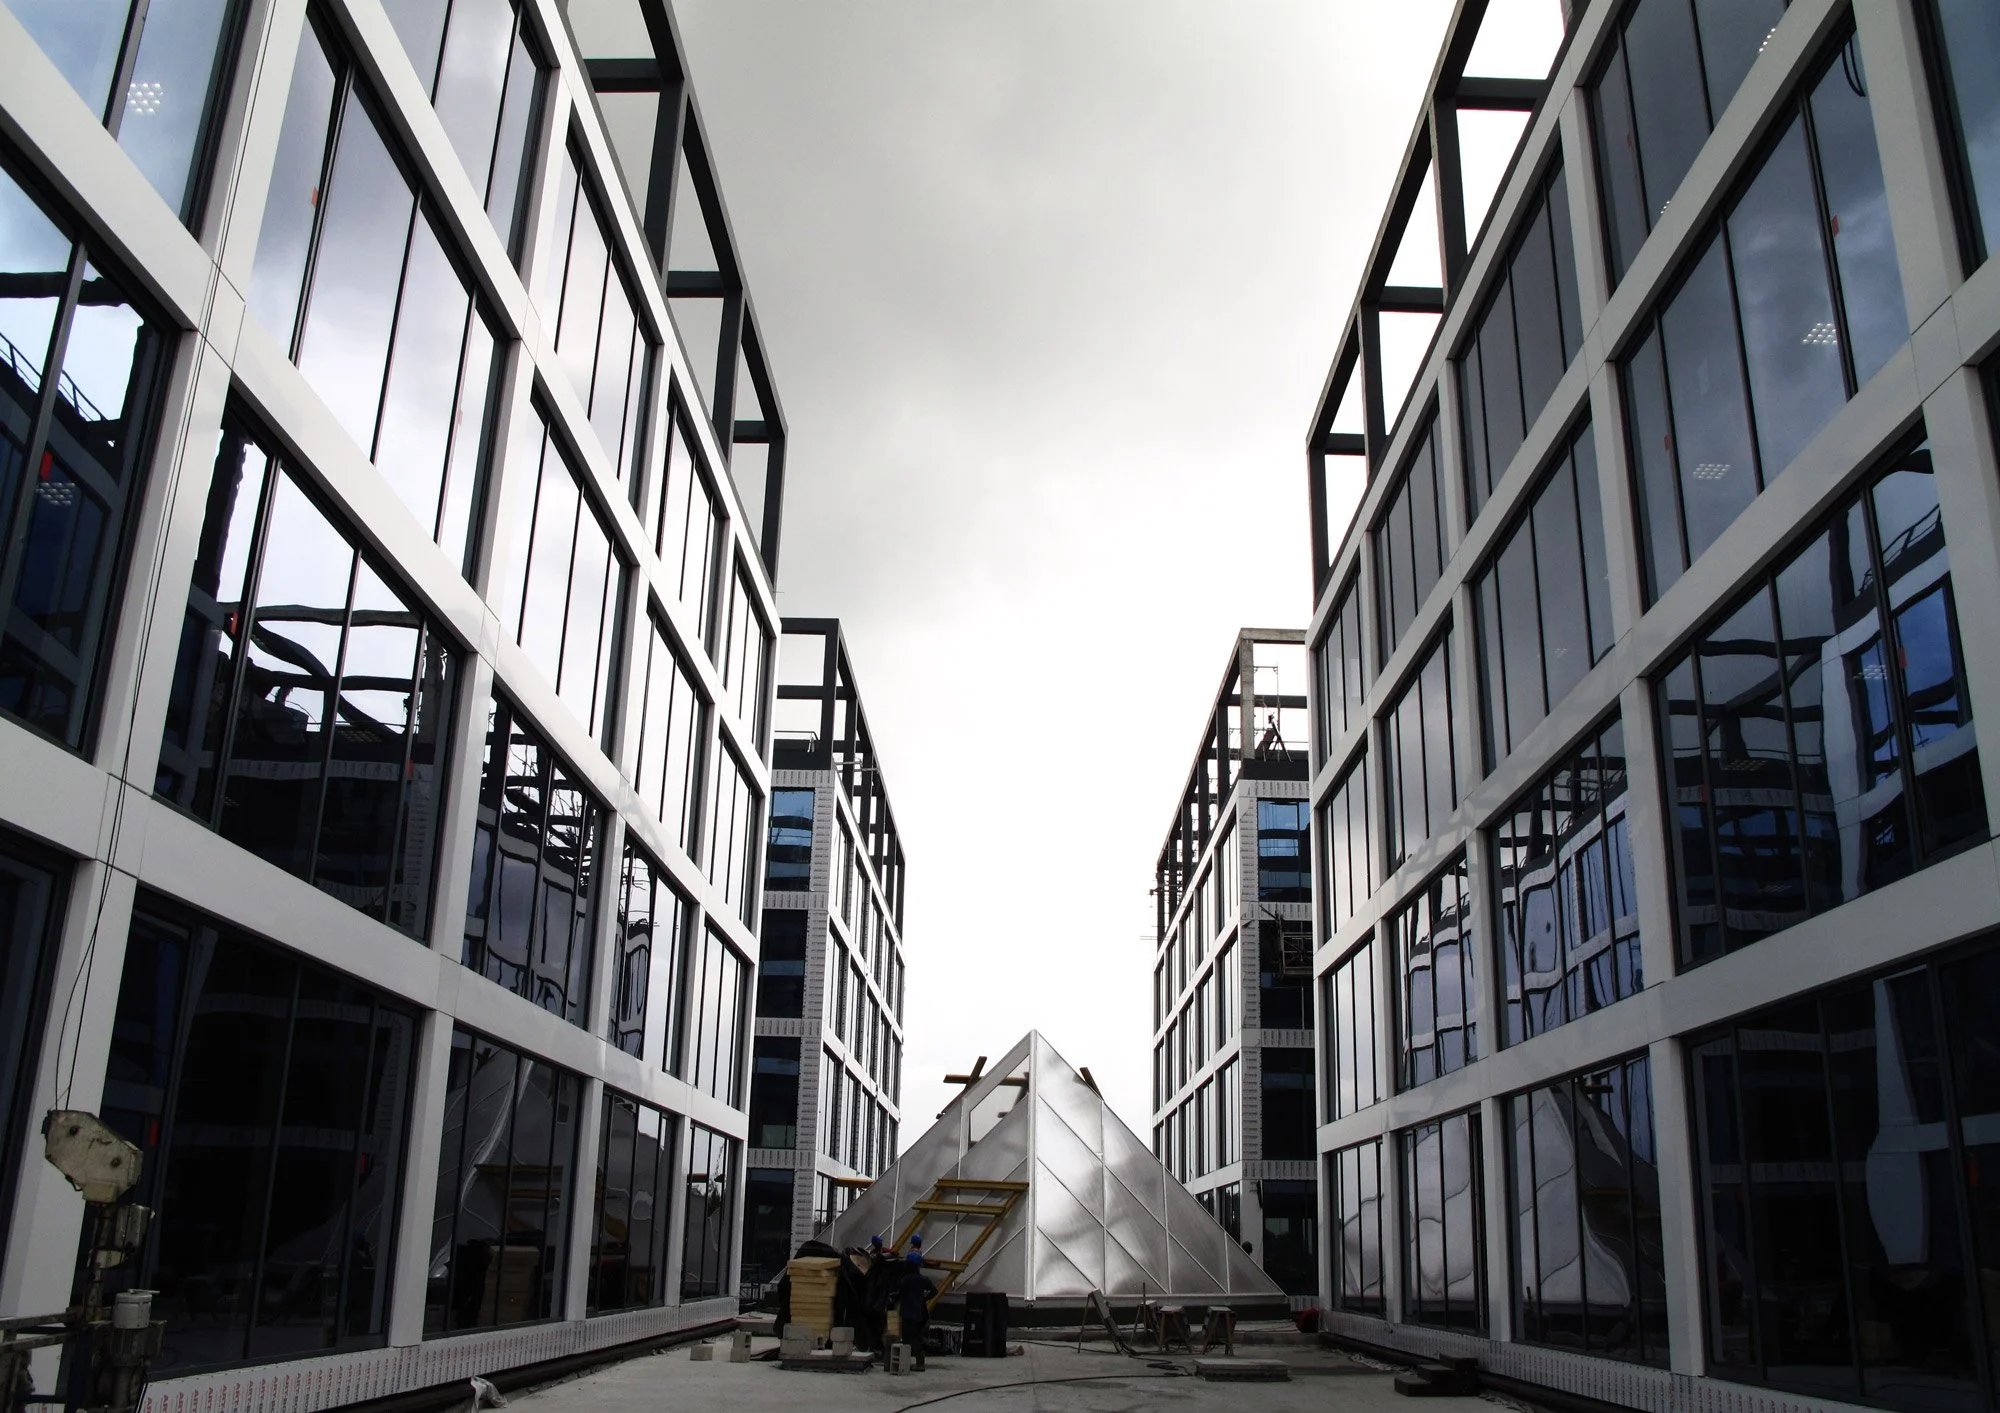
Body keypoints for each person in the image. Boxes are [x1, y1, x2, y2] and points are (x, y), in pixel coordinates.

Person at [895, 1252, 938, 1370]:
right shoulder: (923, 1279)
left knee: (908, 1339)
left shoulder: (906, 1279)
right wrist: (924, 1298)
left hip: (907, 1313)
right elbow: (934, 1291)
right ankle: (917, 1361)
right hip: (919, 1313)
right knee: (916, 1336)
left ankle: (917, 1361)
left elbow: (899, 1292)